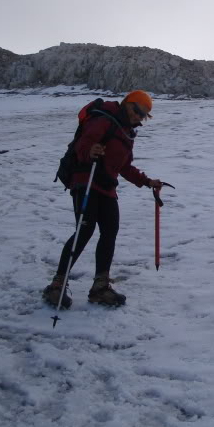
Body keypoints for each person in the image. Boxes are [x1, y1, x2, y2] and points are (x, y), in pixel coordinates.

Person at [43, 90, 165, 308]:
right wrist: (91, 150)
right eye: (136, 110)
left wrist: (147, 181)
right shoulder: (104, 119)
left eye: (143, 114)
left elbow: (125, 167)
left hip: (107, 186)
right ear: (127, 103)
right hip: (86, 180)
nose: (138, 116)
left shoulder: (127, 133)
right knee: (84, 230)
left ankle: (100, 286)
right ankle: (57, 285)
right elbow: (83, 143)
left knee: (110, 231)